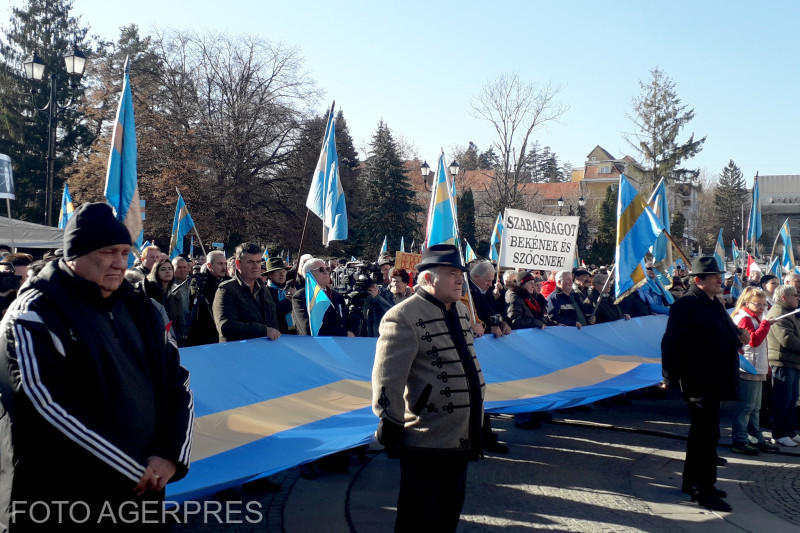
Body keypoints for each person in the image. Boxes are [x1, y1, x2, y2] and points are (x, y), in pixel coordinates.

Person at [0, 202, 193, 530]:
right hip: (61, 499)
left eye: (124, 252)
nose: (120, 263)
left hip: (142, 492)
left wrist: (171, 455)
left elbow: (178, 382)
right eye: (107, 253)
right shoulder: (34, 313)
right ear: (75, 255)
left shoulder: (141, 309)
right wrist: (132, 468)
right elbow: (44, 405)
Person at [372, 244, 484, 532]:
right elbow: (388, 376)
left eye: (460, 273)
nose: (459, 279)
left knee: (448, 514)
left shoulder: (460, 310)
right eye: (450, 274)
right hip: (426, 434)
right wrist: (390, 419)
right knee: (417, 517)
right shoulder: (403, 315)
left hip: (461, 432)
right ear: (428, 278)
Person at [661, 256, 746, 512]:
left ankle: (691, 481)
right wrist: (669, 377)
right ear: (699, 281)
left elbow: (726, 333)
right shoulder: (685, 306)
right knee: (706, 436)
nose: (720, 280)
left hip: (717, 378)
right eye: (714, 277)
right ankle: (703, 490)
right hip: (699, 380)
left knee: (704, 433)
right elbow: (671, 344)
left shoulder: (714, 304)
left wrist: (738, 339)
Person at [730, 287, 778, 454]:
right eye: (758, 304)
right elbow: (754, 341)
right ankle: (740, 439)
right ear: (746, 303)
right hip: (748, 367)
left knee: (755, 407)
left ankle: (755, 436)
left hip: (756, 367)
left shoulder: (754, 317)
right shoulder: (744, 319)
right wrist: (765, 324)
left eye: (764, 305)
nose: (762, 308)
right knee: (746, 407)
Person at [213, 242, 280, 343]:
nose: (256, 266)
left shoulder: (263, 289)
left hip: (264, 350)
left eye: (258, 262)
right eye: (250, 262)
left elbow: (273, 321)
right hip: (238, 353)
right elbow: (226, 326)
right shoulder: (226, 290)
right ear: (238, 264)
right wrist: (263, 330)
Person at [765, 285, 800, 448]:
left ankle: (790, 431)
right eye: (794, 295)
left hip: (791, 362)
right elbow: (787, 340)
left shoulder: (790, 313)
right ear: (784, 297)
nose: (797, 297)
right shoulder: (778, 313)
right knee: (782, 400)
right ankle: (779, 433)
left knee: (792, 399)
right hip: (782, 362)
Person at [292, 258, 356, 337]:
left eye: (327, 269)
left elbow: (347, 321)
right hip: (316, 346)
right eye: (321, 269)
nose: (326, 272)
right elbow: (309, 328)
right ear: (309, 274)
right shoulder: (301, 297)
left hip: (342, 344)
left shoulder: (337, 296)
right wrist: (344, 333)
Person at [187, 250, 229, 346]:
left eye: (225, 264)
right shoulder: (198, 281)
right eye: (220, 264)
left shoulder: (229, 282)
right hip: (204, 330)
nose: (224, 267)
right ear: (209, 266)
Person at [264, 257, 296, 334]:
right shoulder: (265, 292)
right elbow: (273, 313)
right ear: (270, 275)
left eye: (284, 271)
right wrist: (288, 300)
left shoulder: (290, 288)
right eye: (277, 271)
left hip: (294, 333)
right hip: (276, 334)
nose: (282, 274)